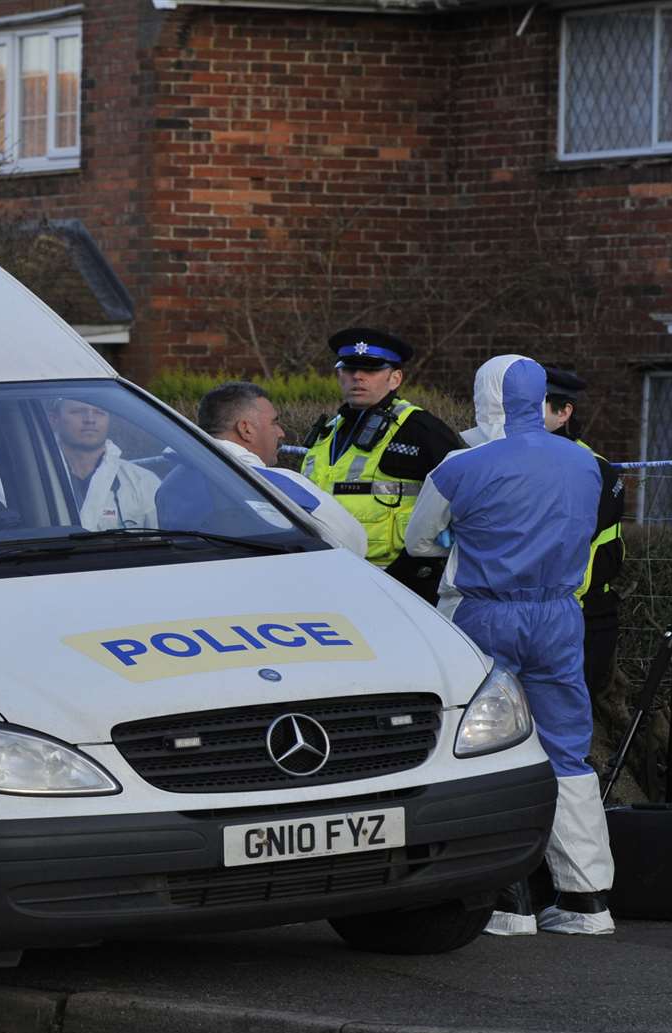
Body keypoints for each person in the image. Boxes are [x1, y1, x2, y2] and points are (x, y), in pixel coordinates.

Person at [406, 354, 615, 936]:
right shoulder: (584, 462)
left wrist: (461, 534)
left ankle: (506, 898)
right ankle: (587, 901)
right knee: (567, 750)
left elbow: (419, 540)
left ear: (482, 397)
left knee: (485, 749)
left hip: (486, 614)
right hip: (559, 615)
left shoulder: (462, 464)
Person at [299, 328, 465, 603]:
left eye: (371, 370)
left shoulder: (421, 429)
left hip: (399, 580)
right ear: (339, 375)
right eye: (350, 369)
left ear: (395, 378)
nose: (358, 377)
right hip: (328, 572)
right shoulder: (329, 430)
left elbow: (460, 501)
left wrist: (414, 569)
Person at [184, 381, 368, 557]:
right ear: (246, 429)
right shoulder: (277, 484)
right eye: (274, 422)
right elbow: (354, 542)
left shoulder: (171, 479)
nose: (281, 432)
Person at [544, 368, 625, 719]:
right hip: (529, 614)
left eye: (536, 407)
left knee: (567, 722)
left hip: (580, 616)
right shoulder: (505, 460)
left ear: (564, 413)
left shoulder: (595, 471)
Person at [0, 397, 160, 530]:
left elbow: (162, 547)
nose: (90, 419)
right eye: (78, 411)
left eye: (99, 412)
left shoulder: (143, 482)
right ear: (53, 419)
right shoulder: (14, 487)